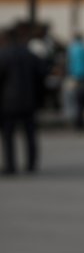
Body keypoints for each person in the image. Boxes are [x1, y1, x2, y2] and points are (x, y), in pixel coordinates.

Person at [0, 21, 47, 174]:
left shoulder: (4, 55)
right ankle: (31, 164)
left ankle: (10, 165)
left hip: (8, 102)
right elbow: (42, 76)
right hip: (29, 100)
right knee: (30, 134)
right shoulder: (30, 55)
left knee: (8, 136)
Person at [66, 31, 84, 130]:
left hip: (74, 76)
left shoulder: (72, 49)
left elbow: (68, 62)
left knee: (74, 100)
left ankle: (77, 122)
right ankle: (81, 122)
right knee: (82, 101)